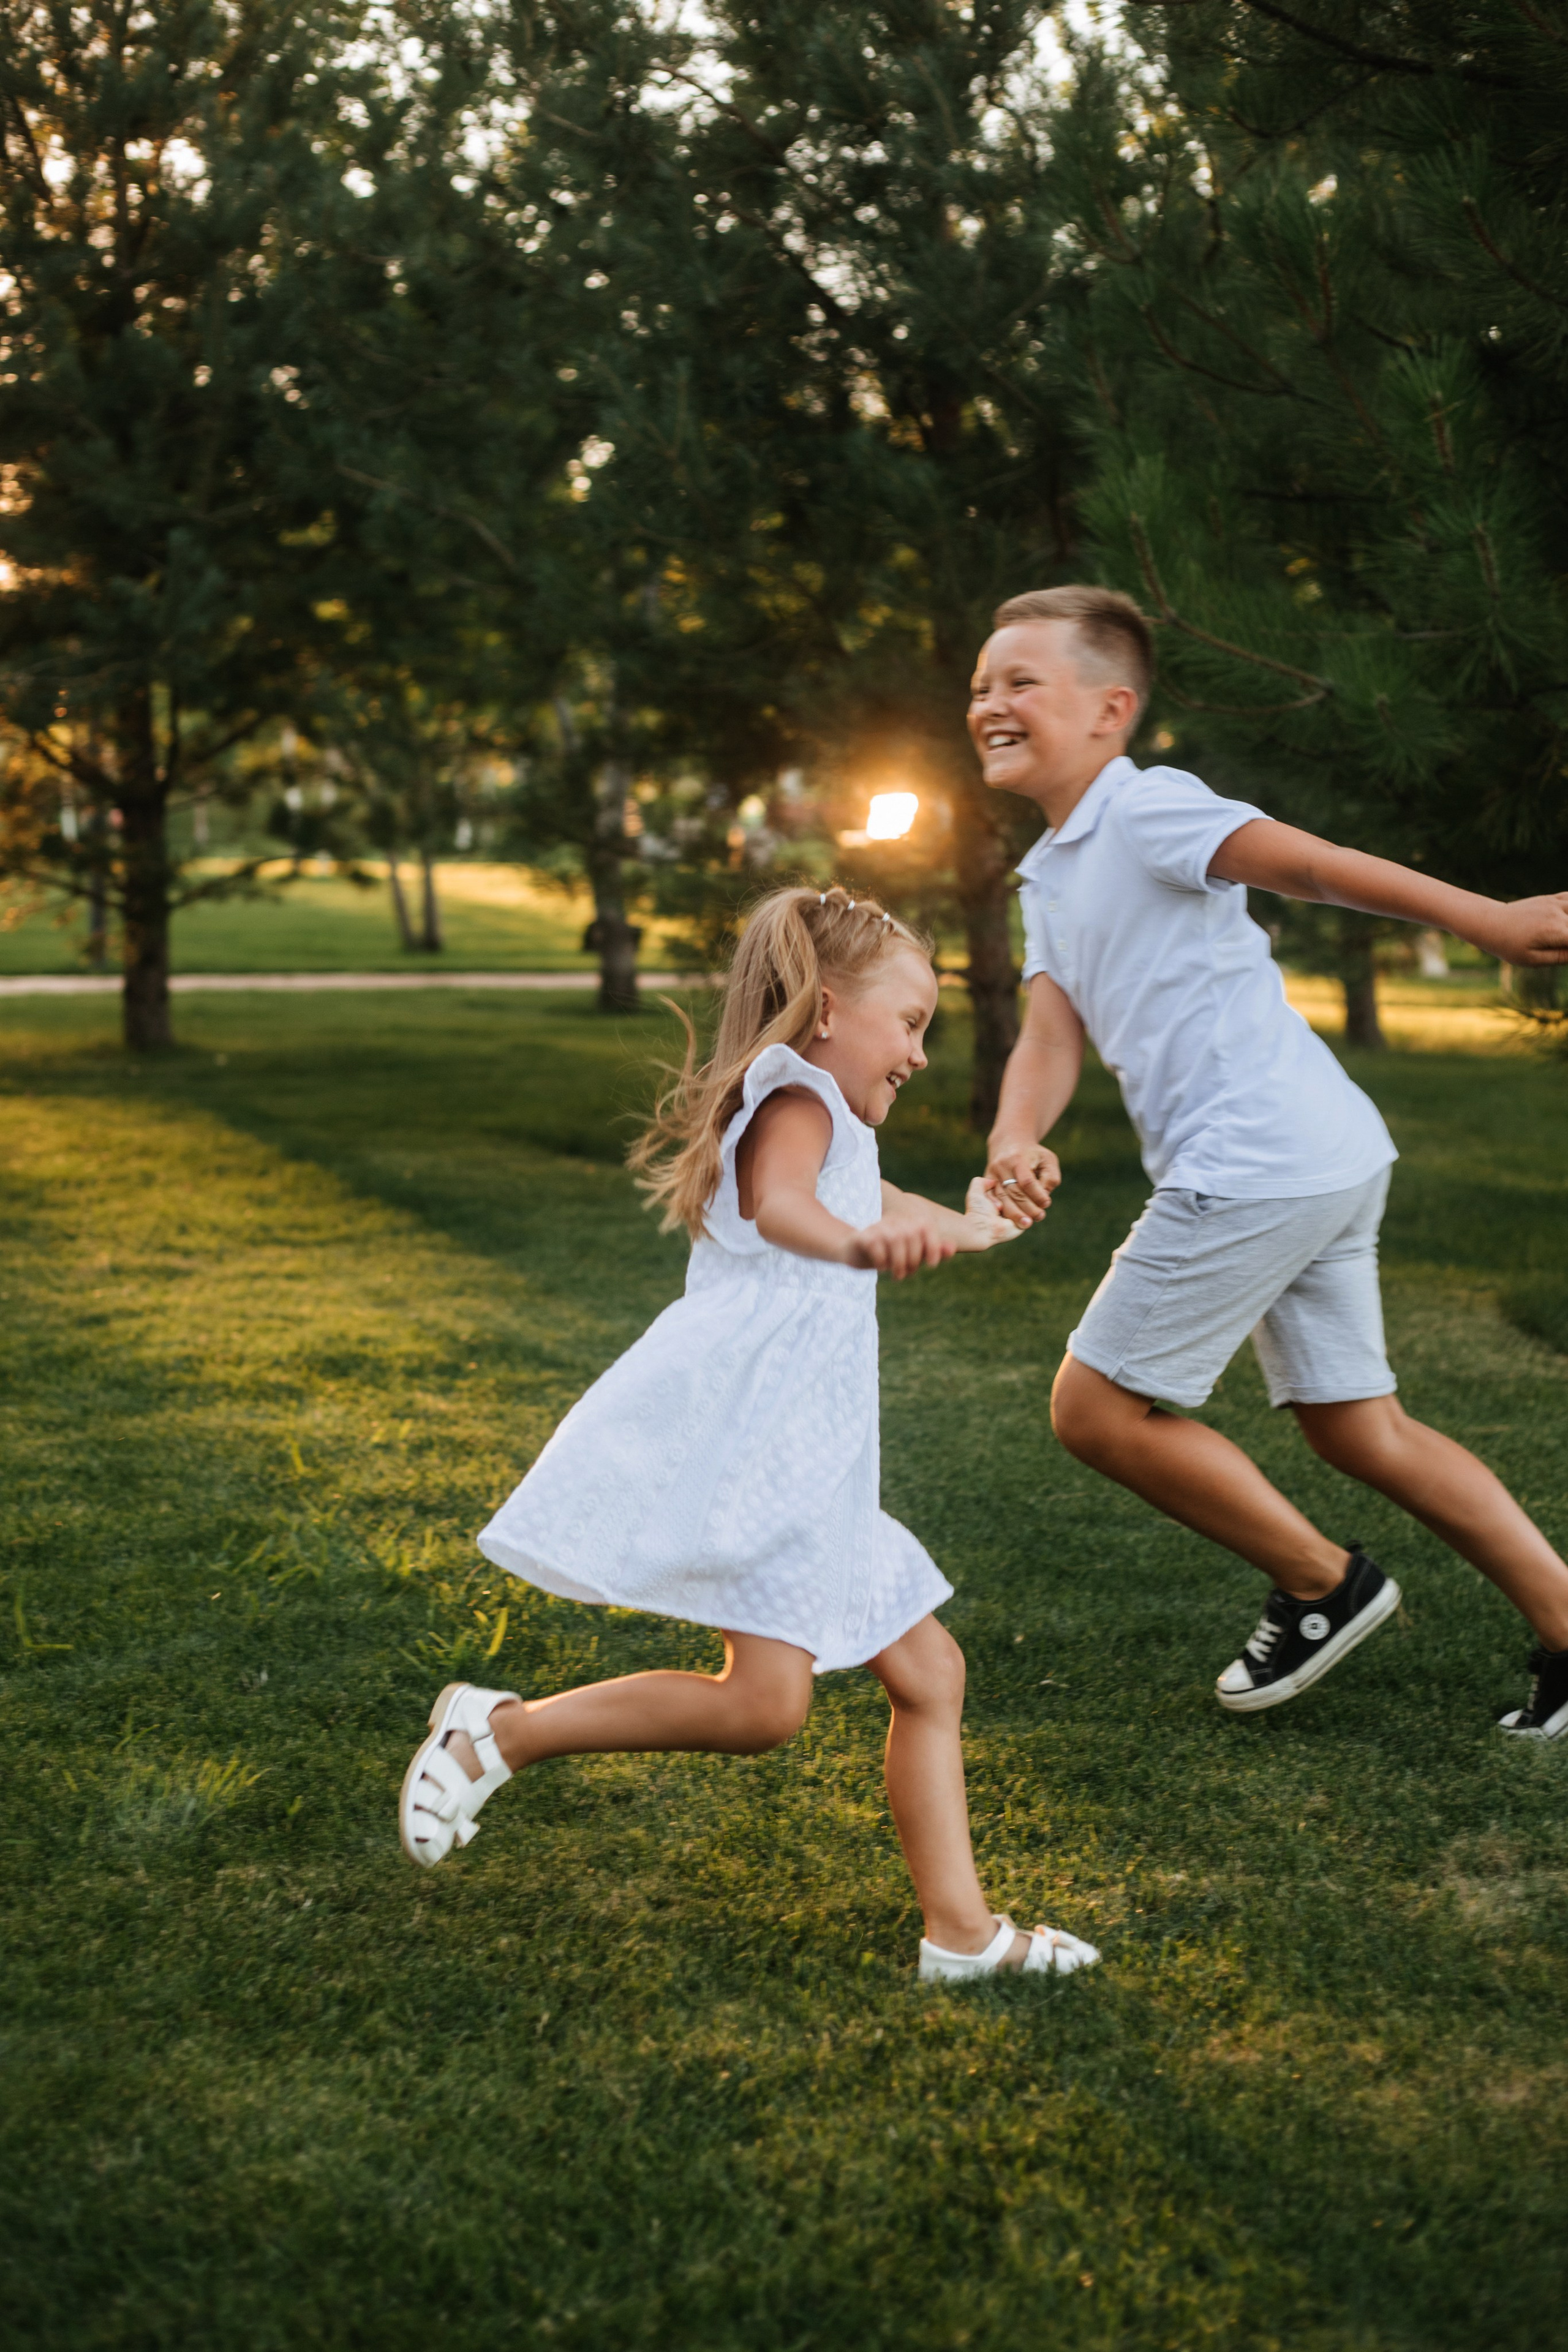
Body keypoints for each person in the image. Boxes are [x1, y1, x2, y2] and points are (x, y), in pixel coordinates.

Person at [398, 884, 1101, 1982]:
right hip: (772, 1458)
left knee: (892, 1682)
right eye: (909, 1022)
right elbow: (784, 1204)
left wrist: (969, 1226)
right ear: (825, 1010)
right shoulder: (797, 1097)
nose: (918, 1052)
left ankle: (961, 1935)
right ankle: (501, 1733)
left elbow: (875, 1201)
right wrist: (852, 1247)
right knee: (801, 1700)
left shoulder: (833, 1119)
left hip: (812, 1465)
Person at [974, 585, 1568, 1738]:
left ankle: (1322, 1583)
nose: (990, 704)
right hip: (1316, 1149)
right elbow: (1053, 1031)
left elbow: (1317, 866)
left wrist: (1487, 921)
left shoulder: (1146, 810)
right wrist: (1014, 1135)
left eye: (1020, 683)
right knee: (1360, 1429)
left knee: (1094, 1409)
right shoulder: (1051, 871)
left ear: (1111, 710)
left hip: (1257, 1158)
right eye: (981, 687)